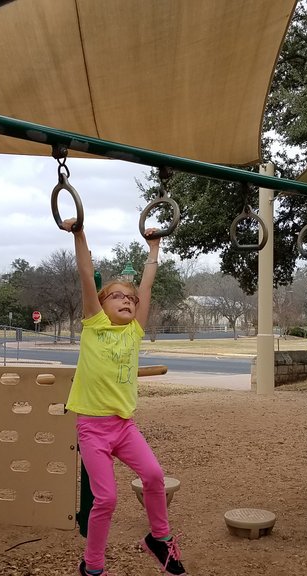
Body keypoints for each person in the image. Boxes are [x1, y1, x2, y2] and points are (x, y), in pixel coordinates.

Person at [61, 217, 187, 576]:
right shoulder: (95, 324)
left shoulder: (134, 332)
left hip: (123, 427)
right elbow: (86, 275)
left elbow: (146, 288)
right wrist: (80, 233)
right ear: (101, 304)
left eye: (131, 299)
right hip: (92, 428)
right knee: (107, 498)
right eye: (118, 296)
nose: (128, 301)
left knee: (153, 475)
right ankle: (93, 565)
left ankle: (159, 539)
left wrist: (154, 248)